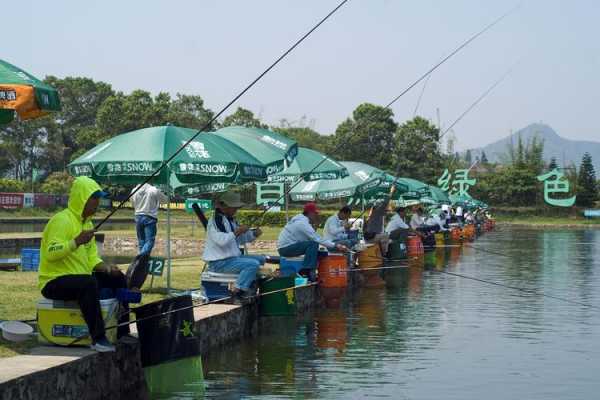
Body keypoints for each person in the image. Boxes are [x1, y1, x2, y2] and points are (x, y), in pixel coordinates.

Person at [38, 177, 128, 353]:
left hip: (79, 279)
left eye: (98, 198)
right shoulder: (61, 220)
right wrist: (76, 241)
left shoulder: (88, 224)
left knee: (117, 278)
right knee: (88, 283)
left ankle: (122, 332)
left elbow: (92, 258)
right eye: (94, 198)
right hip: (53, 281)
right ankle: (98, 338)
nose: (97, 202)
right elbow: (50, 252)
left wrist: (107, 268)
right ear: (82, 198)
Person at [203, 192, 265, 303]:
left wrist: (253, 234)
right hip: (219, 262)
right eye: (234, 207)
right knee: (253, 264)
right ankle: (237, 292)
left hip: (231, 259)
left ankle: (250, 286)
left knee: (261, 259)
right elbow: (221, 241)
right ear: (225, 207)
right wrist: (237, 232)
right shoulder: (216, 221)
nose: (236, 210)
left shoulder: (230, 220)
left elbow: (240, 239)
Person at [278, 203, 348, 274]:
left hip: (289, 246)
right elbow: (317, 238)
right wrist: (336, 245)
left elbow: (311, 235)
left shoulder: (302, 221)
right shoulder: (302, 223)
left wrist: (316, 224)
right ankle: (307, 271)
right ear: (310, 213)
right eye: (315, 213)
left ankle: (323, 274)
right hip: (285, 249)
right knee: (313, 244)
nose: (316, 215)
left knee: (322, 254)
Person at [130, 183, 168, 257]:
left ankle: (142, 262)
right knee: (149, 241)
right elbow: (165, 200)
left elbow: (132, 203)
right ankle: (141, 257)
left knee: (141, 241)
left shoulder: (134, 190)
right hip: (150, 217)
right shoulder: (154, 190)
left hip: (138, 216)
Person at [364, 186, 396, 255]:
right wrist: (391, 191)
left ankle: (382, 253)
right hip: (371, 237)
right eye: (386, 209)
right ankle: (385, 254)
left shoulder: (373, 214)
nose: (387, 210)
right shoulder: (378, 212)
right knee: (386, 236)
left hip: (369, 237)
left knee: (384, 237)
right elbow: (385, 202)